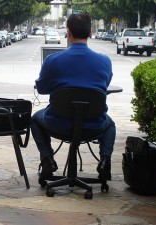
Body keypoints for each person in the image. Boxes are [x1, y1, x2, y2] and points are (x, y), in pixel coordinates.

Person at [31, 13, 116, 181]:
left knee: (35, 119)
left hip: (58, 123)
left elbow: (41, 88)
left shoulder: (52, 60)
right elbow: (103, 86)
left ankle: (47, 159)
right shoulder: (104, 61)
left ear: (68, 32)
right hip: (93, 125)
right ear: (90, 32)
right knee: (110, 124)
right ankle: (105, 161)